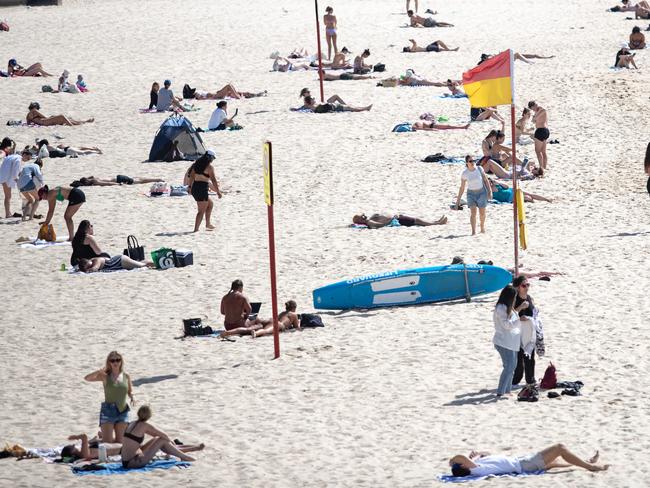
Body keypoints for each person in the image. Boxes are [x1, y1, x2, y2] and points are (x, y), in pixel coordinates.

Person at [120, 405, 202, 469]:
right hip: (134, 462)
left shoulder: (132, 423)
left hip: (126, 461)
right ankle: (184, 456)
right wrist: (172, 444)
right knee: (162, 440)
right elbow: (164, 435)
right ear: (149, 415)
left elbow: (157, 436)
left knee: (157, 439)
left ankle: (184, 450)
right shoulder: (145, 425)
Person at [448, 445, 609, 478]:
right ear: (464, 466)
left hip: (523, 463)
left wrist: (479, 454)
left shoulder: (479, 465)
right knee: (560, 448)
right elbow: (458, 457)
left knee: (555, 461)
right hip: (524, 464)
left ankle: (586, 461)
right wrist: (452, 462)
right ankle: (591, 466)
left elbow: (488, 453)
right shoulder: (475, 468)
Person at [83, 351, 134, 443]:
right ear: (109, 362)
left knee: (120, 443)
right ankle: (99, 439)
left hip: (123, 410)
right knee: (108, 444)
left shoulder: (126, 376)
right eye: (112, 360)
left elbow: (129, 390)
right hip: (108, 411)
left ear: (121, 361)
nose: (115, 362)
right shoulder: (105, 376)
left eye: (118, 360)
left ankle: (100, 437)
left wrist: (132, 396)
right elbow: (87, 378)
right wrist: (98, 371)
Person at [492, 285, 530, 397]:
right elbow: (506, 325)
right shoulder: (501, 308)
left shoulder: (509, 307)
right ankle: (501, 391)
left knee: (511, 366)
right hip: (503, 342)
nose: (515, 298)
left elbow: (512, 321)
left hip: (511, 342)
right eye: (514, 296)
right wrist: (519, 320)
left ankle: (507, 390)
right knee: (509, 367)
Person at [511, 276, 541, 386]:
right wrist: (520, 309)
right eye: (524, 285)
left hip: (529, 332)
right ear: (518, 287)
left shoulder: (529, 297)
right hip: (517, 332)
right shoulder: (514, 299)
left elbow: (534, 312)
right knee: (519, 358)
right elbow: (510, 315)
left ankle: (530, 379)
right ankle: (516, 379)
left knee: (530, 357)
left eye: (528, 285)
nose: (526, 287)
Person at [454, 156, 492, 235]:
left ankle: (482, 227)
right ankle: (473, 231)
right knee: (473, 213)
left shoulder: (479, 169)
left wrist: (490, 191)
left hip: (482, 193)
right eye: (470, 161)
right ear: (467, 163)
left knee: (482, 214)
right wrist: (457, 202)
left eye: (473, 160)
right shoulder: (465, 173)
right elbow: (462, 188)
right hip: (471, 194)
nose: (472, 162)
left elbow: (485, 180)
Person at [187, 150, 223, 232]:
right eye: (213, 158)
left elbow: (191, 176)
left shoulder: (196, 164)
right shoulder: (209, 167)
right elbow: (213, 180)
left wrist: (189, 187)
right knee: (201, 211)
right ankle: (196, 229)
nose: (213, 160)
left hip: (195, 188)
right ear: (210, 158)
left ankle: (208, 224)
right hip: (202, 189)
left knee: (210, 204)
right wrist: (218, 192)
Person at [17, 149, 44, 221]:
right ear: (40, 165)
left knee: (30, 200)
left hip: (20, 185)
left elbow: (20, 174)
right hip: (27, 183)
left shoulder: (28, 165)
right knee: (37, 199)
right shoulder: (36, 166)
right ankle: (31, 217)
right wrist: (42, 184)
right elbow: (39, 175)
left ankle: (23, 217)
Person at [26, 102, 94, 126]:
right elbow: (45, 117)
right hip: (44, 122)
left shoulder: (28, 115)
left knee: (67, 119)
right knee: (62, 117)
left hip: (43, 122)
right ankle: (75, 124)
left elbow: (28, 123)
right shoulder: (34, 111)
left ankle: (83, 122)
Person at [0, 138, 20, 218]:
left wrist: (14, 145)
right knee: (8, 196)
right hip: (4, 176)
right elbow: (2, 154)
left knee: (8, 196)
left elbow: (11, 152)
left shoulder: (6, 151)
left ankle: (8, 213)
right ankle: (8, 214)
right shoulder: (2, 152)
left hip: (4, 175)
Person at [488, 179, 552, 204]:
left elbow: (506, 187)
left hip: (512, 190)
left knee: (530, 194)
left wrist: (498, 183)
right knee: (528, 197)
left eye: (490, 182)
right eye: (488, 183)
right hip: (510, 198)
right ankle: (531, 201)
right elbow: (490, 198)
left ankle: (546, 199)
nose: (490, 183)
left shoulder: (497, 185)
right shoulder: (488, 191)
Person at [528, 101, 549, 170]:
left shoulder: (541, 110)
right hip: (545, 131)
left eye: (532, 108)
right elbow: (533, 120)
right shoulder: (539, 111)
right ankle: (544, 167)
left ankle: (541, 167)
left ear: (533, 106)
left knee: (537, 151)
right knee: (543, 151)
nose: (533, 110)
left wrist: (535, 116)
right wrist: (535, 117)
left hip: (540, 131)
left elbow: (534, 120)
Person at [352, 213, 447, 228]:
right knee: (417, 221)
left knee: (417, 220)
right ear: (360, 220)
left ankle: (436, 222)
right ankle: (438, 223)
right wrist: (391, 220)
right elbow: (380, 225)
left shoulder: (369, 219)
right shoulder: (369, 222)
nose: (363, 215)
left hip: (397, 217)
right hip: (397, 220)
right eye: (361, 216)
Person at [78, 255, 154, 273]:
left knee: (142, 265)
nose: (90, 266)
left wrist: (87, 270)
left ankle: (157, 263)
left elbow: (95, 268)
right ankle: (154, 262)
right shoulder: (93, 261)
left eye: (89, 265)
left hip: (121, 261)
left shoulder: (96, 260)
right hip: (120, 262)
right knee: (140, 263)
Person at [301, 95, 372, 113]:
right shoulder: (311, 106)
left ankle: (364, 108)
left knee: (350, 107)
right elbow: (304, 107)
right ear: (310, 101)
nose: (314, 99)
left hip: (332, 106)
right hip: (334, 107)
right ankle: (365, 108)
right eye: (312, 99)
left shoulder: (311, 106)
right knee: (351, 108)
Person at [193, 84, 266, 100]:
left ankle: (256, 95)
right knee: (229, 86)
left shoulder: (199, 91)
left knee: (238, 92)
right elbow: (199, 97)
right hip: (215, 96)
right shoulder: (197, 93)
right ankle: (239, 98)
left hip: (217, 94)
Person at [71, 175, 162, 187]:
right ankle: (156, 179)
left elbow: (107, 183)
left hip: (119, 179)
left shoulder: (94, 182)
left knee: (139, 181)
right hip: (117, 176)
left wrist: (118, 184)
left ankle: (157, 179)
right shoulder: (92, 178)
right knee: (138, 179)